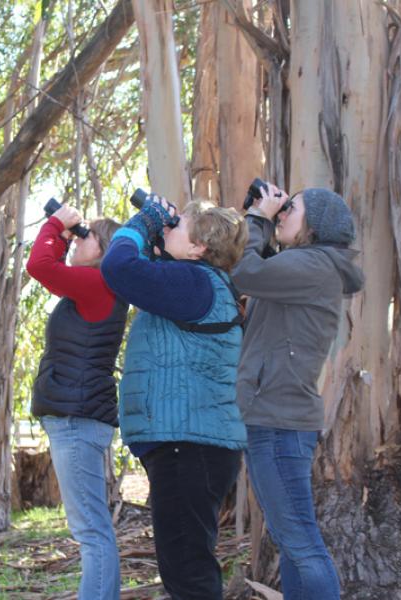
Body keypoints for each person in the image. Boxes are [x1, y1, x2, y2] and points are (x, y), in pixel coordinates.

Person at [101, 196, 248, 600]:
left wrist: (143, 220)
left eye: (176, 226)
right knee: (185, 567)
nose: (166, 228)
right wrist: (156, 242)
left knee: (188, 575)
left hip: (191, 446)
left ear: (200, 247)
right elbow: (141, 273)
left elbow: (117, 268)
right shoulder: (193, 283)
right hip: (190, 445)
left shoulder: (194, 283)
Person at [230, 184, 364, 600]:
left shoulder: (315, 265)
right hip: (271, 417)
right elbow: (249, 271)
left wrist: (257, 221)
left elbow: (245, 272)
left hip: (279, 422)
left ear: (316, 223)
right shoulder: (303, 266)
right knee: (292, 544)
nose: (282, 214)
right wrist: (256, 221)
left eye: (291, 208)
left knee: (303, 545)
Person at [26, 204, 127, 600]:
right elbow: (49, 269)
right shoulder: (92, 285)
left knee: (91, 532)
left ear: (104, 252)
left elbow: (40, 266)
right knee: (91, 529)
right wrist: (65, 235)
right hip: (75, 418)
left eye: (87, 235)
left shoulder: (99, 284)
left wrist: (55, 225)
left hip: (77, 420)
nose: (78, 239)